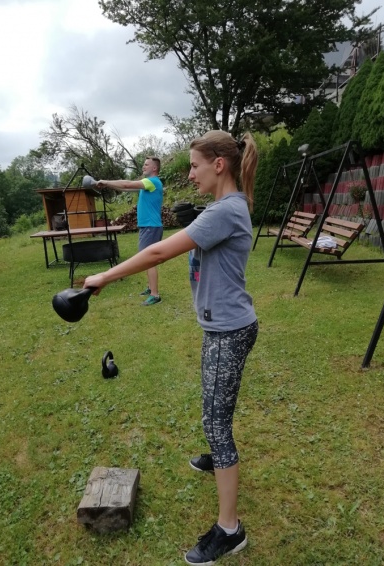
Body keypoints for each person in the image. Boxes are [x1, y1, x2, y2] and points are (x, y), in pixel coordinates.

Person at [84, 130, 259, 564]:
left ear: (219, 164)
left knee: (216, 421)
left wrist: (106, 276)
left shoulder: (226, 210)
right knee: (215, 407)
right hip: (222, 327)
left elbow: (159, 252)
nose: (190, 173)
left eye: (195, 165)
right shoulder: (223, 207)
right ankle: (218, 455)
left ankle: (230, 530)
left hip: (229, 330)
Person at [96, 156, 163, 306]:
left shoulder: (152, 182)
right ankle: (150, 287)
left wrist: (105, 181)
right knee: (147, 258)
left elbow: (127, 184)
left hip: (151, 226)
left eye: (146, 165)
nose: (143, 166)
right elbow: (125, 188)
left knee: (149, 260)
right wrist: (108, 185)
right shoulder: (148, 184)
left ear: (154, 168)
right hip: (148, 226)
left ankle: (155, 295)